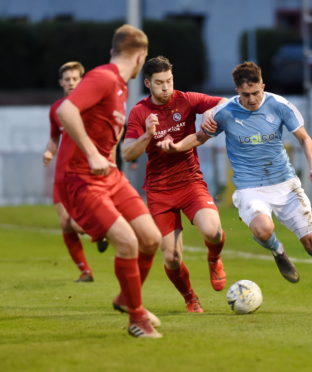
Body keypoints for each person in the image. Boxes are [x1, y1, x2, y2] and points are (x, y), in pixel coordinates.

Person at [160, 61, 312, 314]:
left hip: (284, 183)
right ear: (237, 91)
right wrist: (177, 147)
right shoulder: (224, 112)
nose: (252, 99)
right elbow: (200, 137)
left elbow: (304, 138)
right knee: (264, 229)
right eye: (245, 95)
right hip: (250, 188)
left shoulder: (280, 105)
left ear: (263, 86)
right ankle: (278, 251)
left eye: (256, 92)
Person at [57, 24, 162, 338]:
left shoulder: (119, 84)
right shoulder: (103, 77)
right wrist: (91, 153)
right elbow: (66, 110)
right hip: (81, 179)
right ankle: (136, 318)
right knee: (128, 242)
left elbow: (107, 133)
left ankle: (125, 298)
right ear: (141, 57)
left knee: (151, 238)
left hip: (109, 177)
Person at [122, 56, 228, 313]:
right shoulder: (140, 112)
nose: (166, 87)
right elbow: (127, 154)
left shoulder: (187, 99)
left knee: (212, 231)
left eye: (169, 81)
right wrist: (147, 135)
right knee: (171, 257)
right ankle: (190, 297)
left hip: (191, 182)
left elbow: (227, 103)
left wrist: (211, 115)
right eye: (159, 83)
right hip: (159, 190)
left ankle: (214, 258)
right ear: (147, 83)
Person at [43, 61, 108, 283]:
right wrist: (49, 152)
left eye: (75, 79)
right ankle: (85, 271)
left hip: (83, 172)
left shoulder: (90, 107)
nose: (71, 83)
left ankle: (100, 231)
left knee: (77, 222)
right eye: (67, 79)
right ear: (61, 82)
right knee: (65, 223)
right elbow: (54, 137)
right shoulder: (57, 109)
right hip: (61, 174)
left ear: (82, 81)